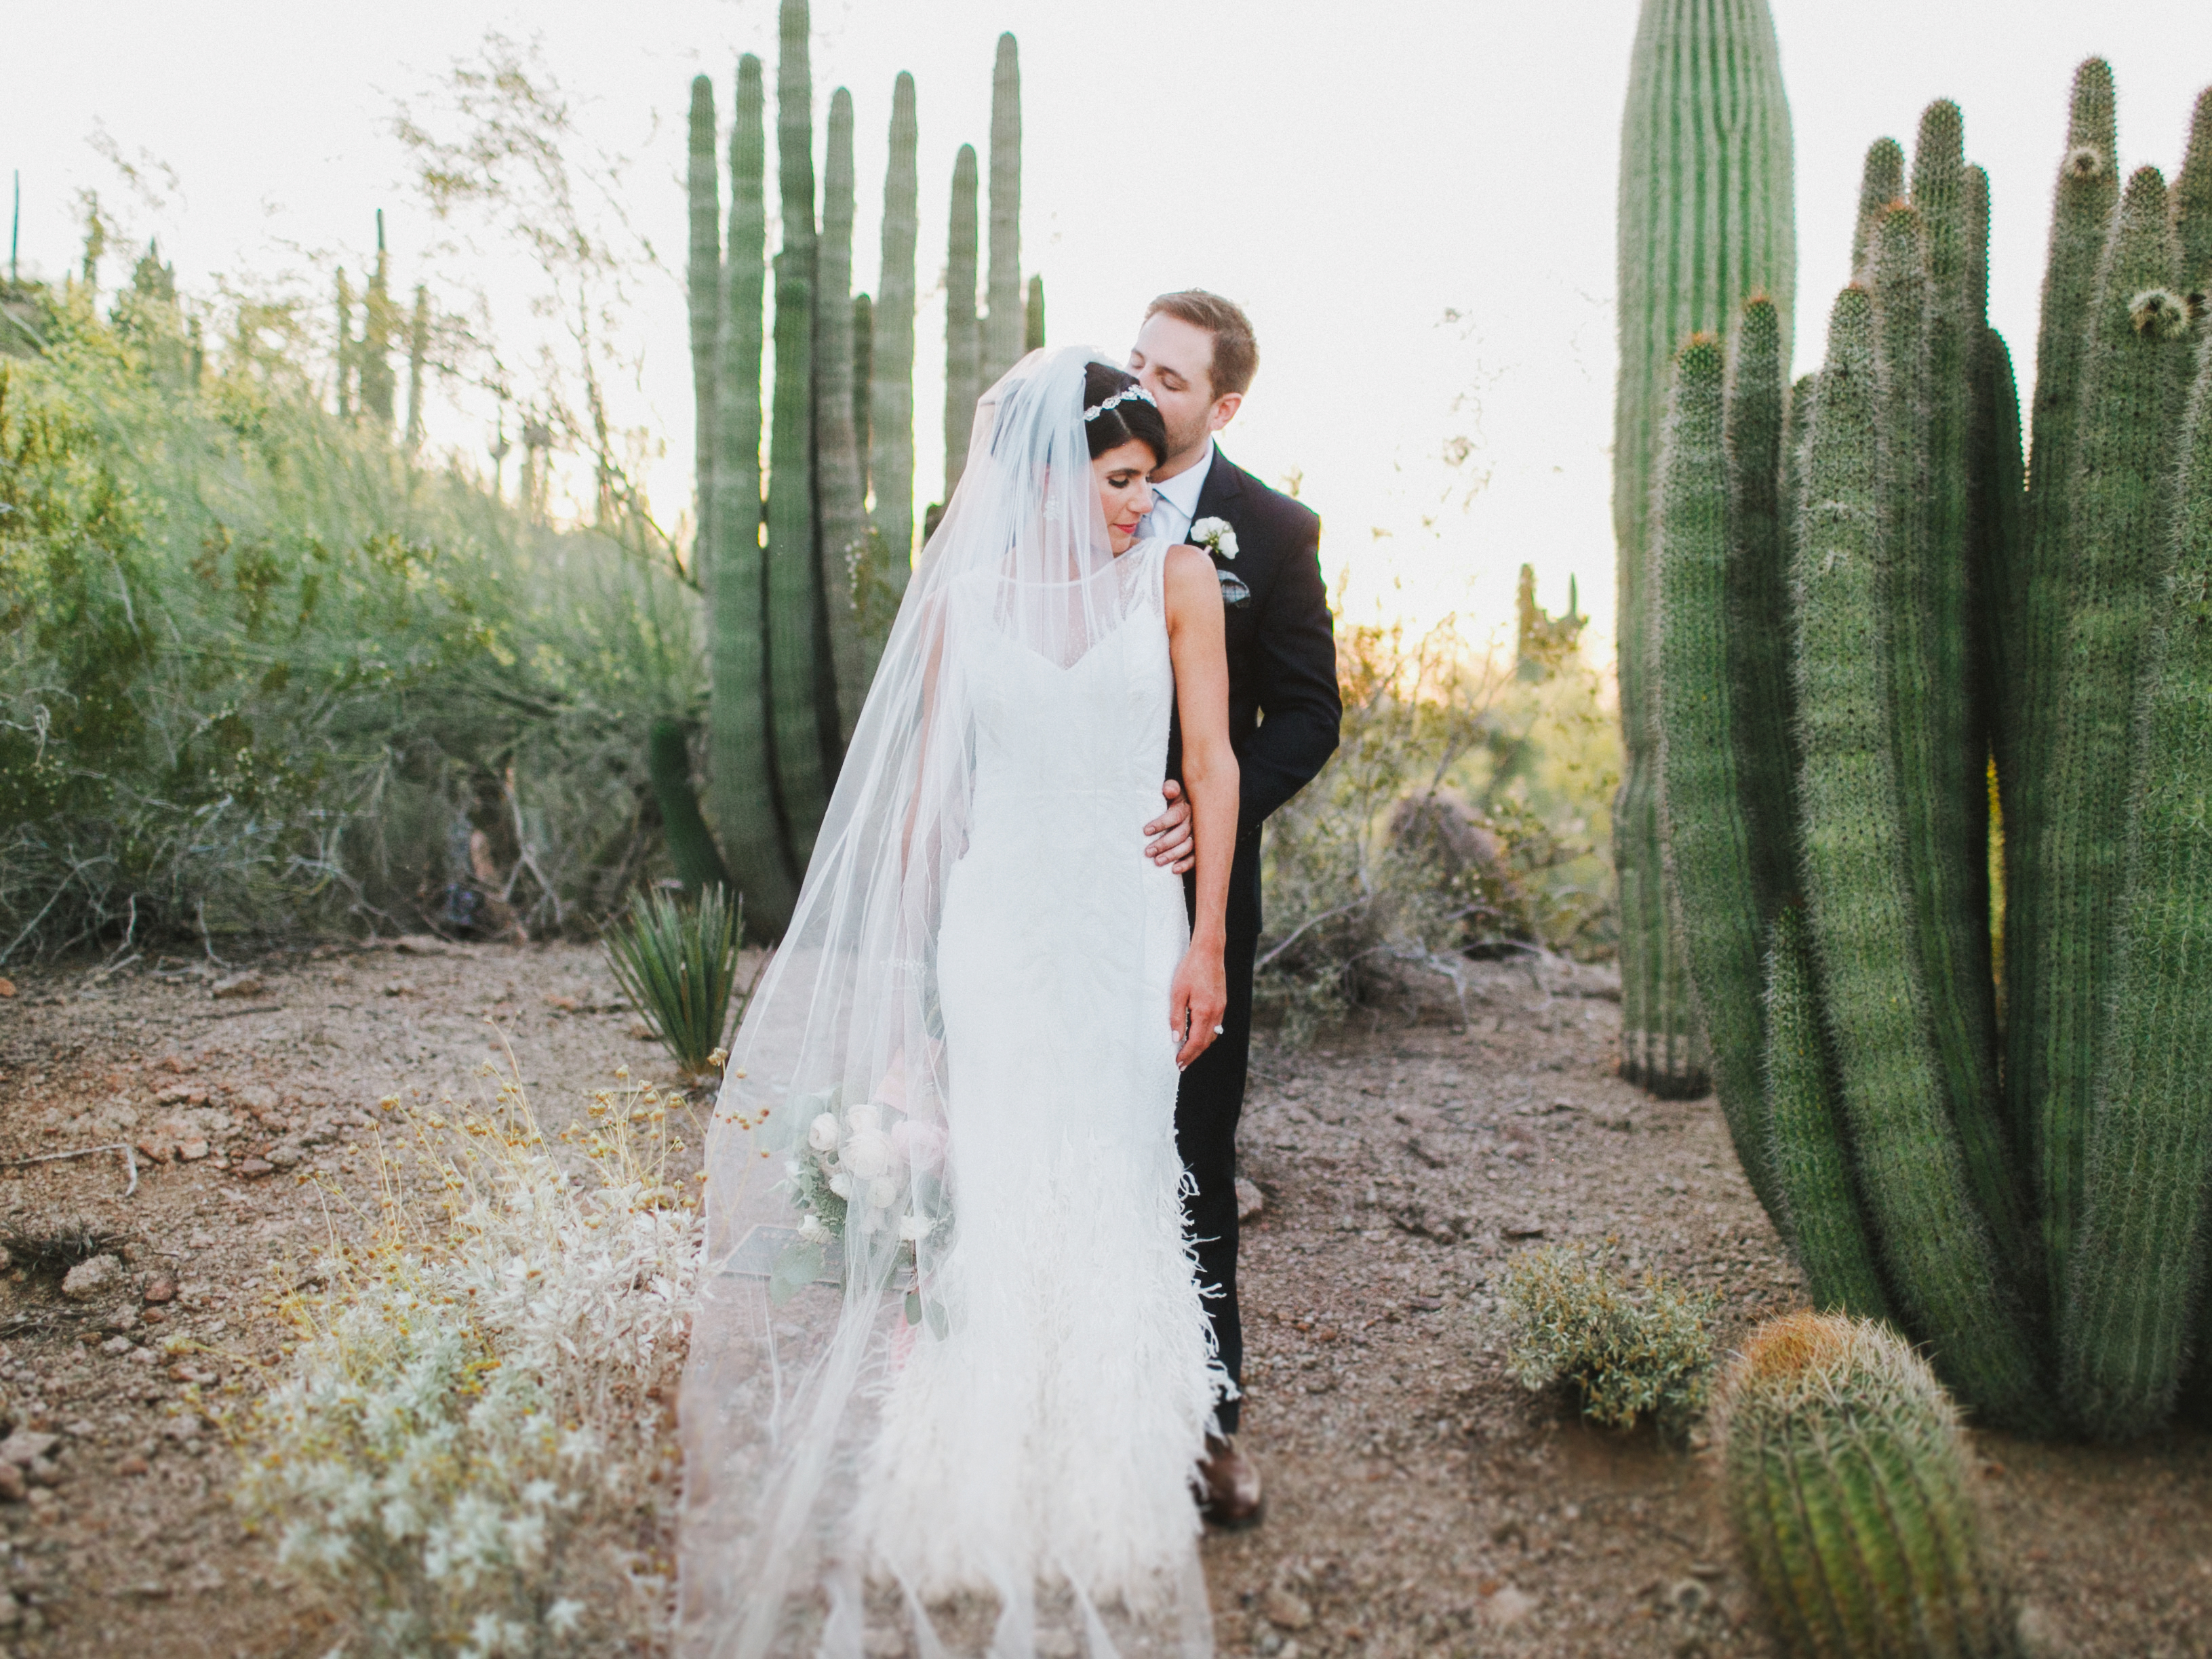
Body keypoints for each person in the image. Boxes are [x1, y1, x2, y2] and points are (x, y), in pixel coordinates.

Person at [679, 348, 1242, 1659]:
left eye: (1148, 480)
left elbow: (1209, 763)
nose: (1135, 504)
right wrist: (907, 998)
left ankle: (1104, 1492)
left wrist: (1208, 938)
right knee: (994, 1174)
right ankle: (964, 1479)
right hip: (997, 927)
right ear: (1050, 471)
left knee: (1110, 1165)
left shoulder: (1174, 577)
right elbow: (930, 811)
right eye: (1116, 479)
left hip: (1122, 923)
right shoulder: (966, 597)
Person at [1130, 292, 1342, 1527]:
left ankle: (1212, 1432)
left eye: (1172, 378)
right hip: (1061, 875)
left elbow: (1310, 713)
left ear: (1224, 403)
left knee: (1194, 1156)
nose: (1146, 389)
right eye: (1139, 362)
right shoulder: (1073, 490)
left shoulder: (1271, 530)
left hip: (1195, 892)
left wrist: (1212, 813)